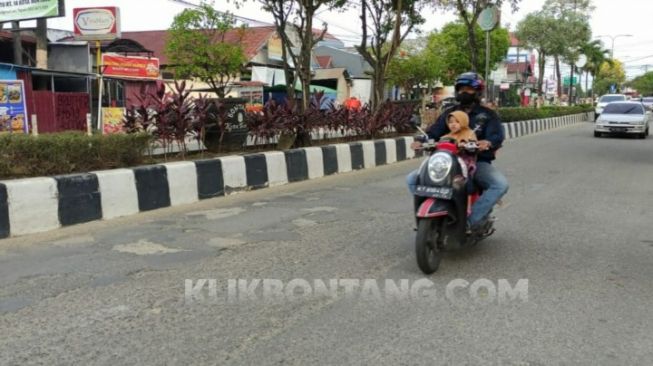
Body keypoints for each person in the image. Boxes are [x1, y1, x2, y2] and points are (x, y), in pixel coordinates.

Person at [406, 72, 509, 232]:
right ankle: (425, 217)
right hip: (447, 160)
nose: (464, 92)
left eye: (468, 89)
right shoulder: (449, 113)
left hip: (476, 162)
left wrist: (487, 142)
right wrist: (421, 141)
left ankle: (471, 221)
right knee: (412, 179)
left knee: (500, 184)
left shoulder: (488, 115)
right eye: (461, 89)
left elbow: (496, 135)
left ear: (477, 92)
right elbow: (434, 132)